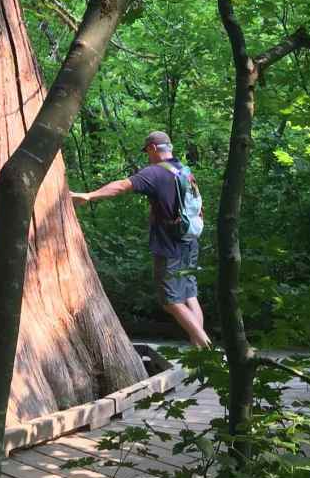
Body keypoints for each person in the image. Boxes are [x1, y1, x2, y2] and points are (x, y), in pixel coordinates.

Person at [70, 129, 212, 349]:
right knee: (189, 294)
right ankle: (200, 351)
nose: (148, 156)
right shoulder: (184, 171)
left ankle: (207, 348)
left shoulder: (155, 172)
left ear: (154, 148)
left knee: (171, 301)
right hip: (190, 239)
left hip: (169, 244)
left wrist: (89, 196)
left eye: (147, 151)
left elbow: (121, 186)